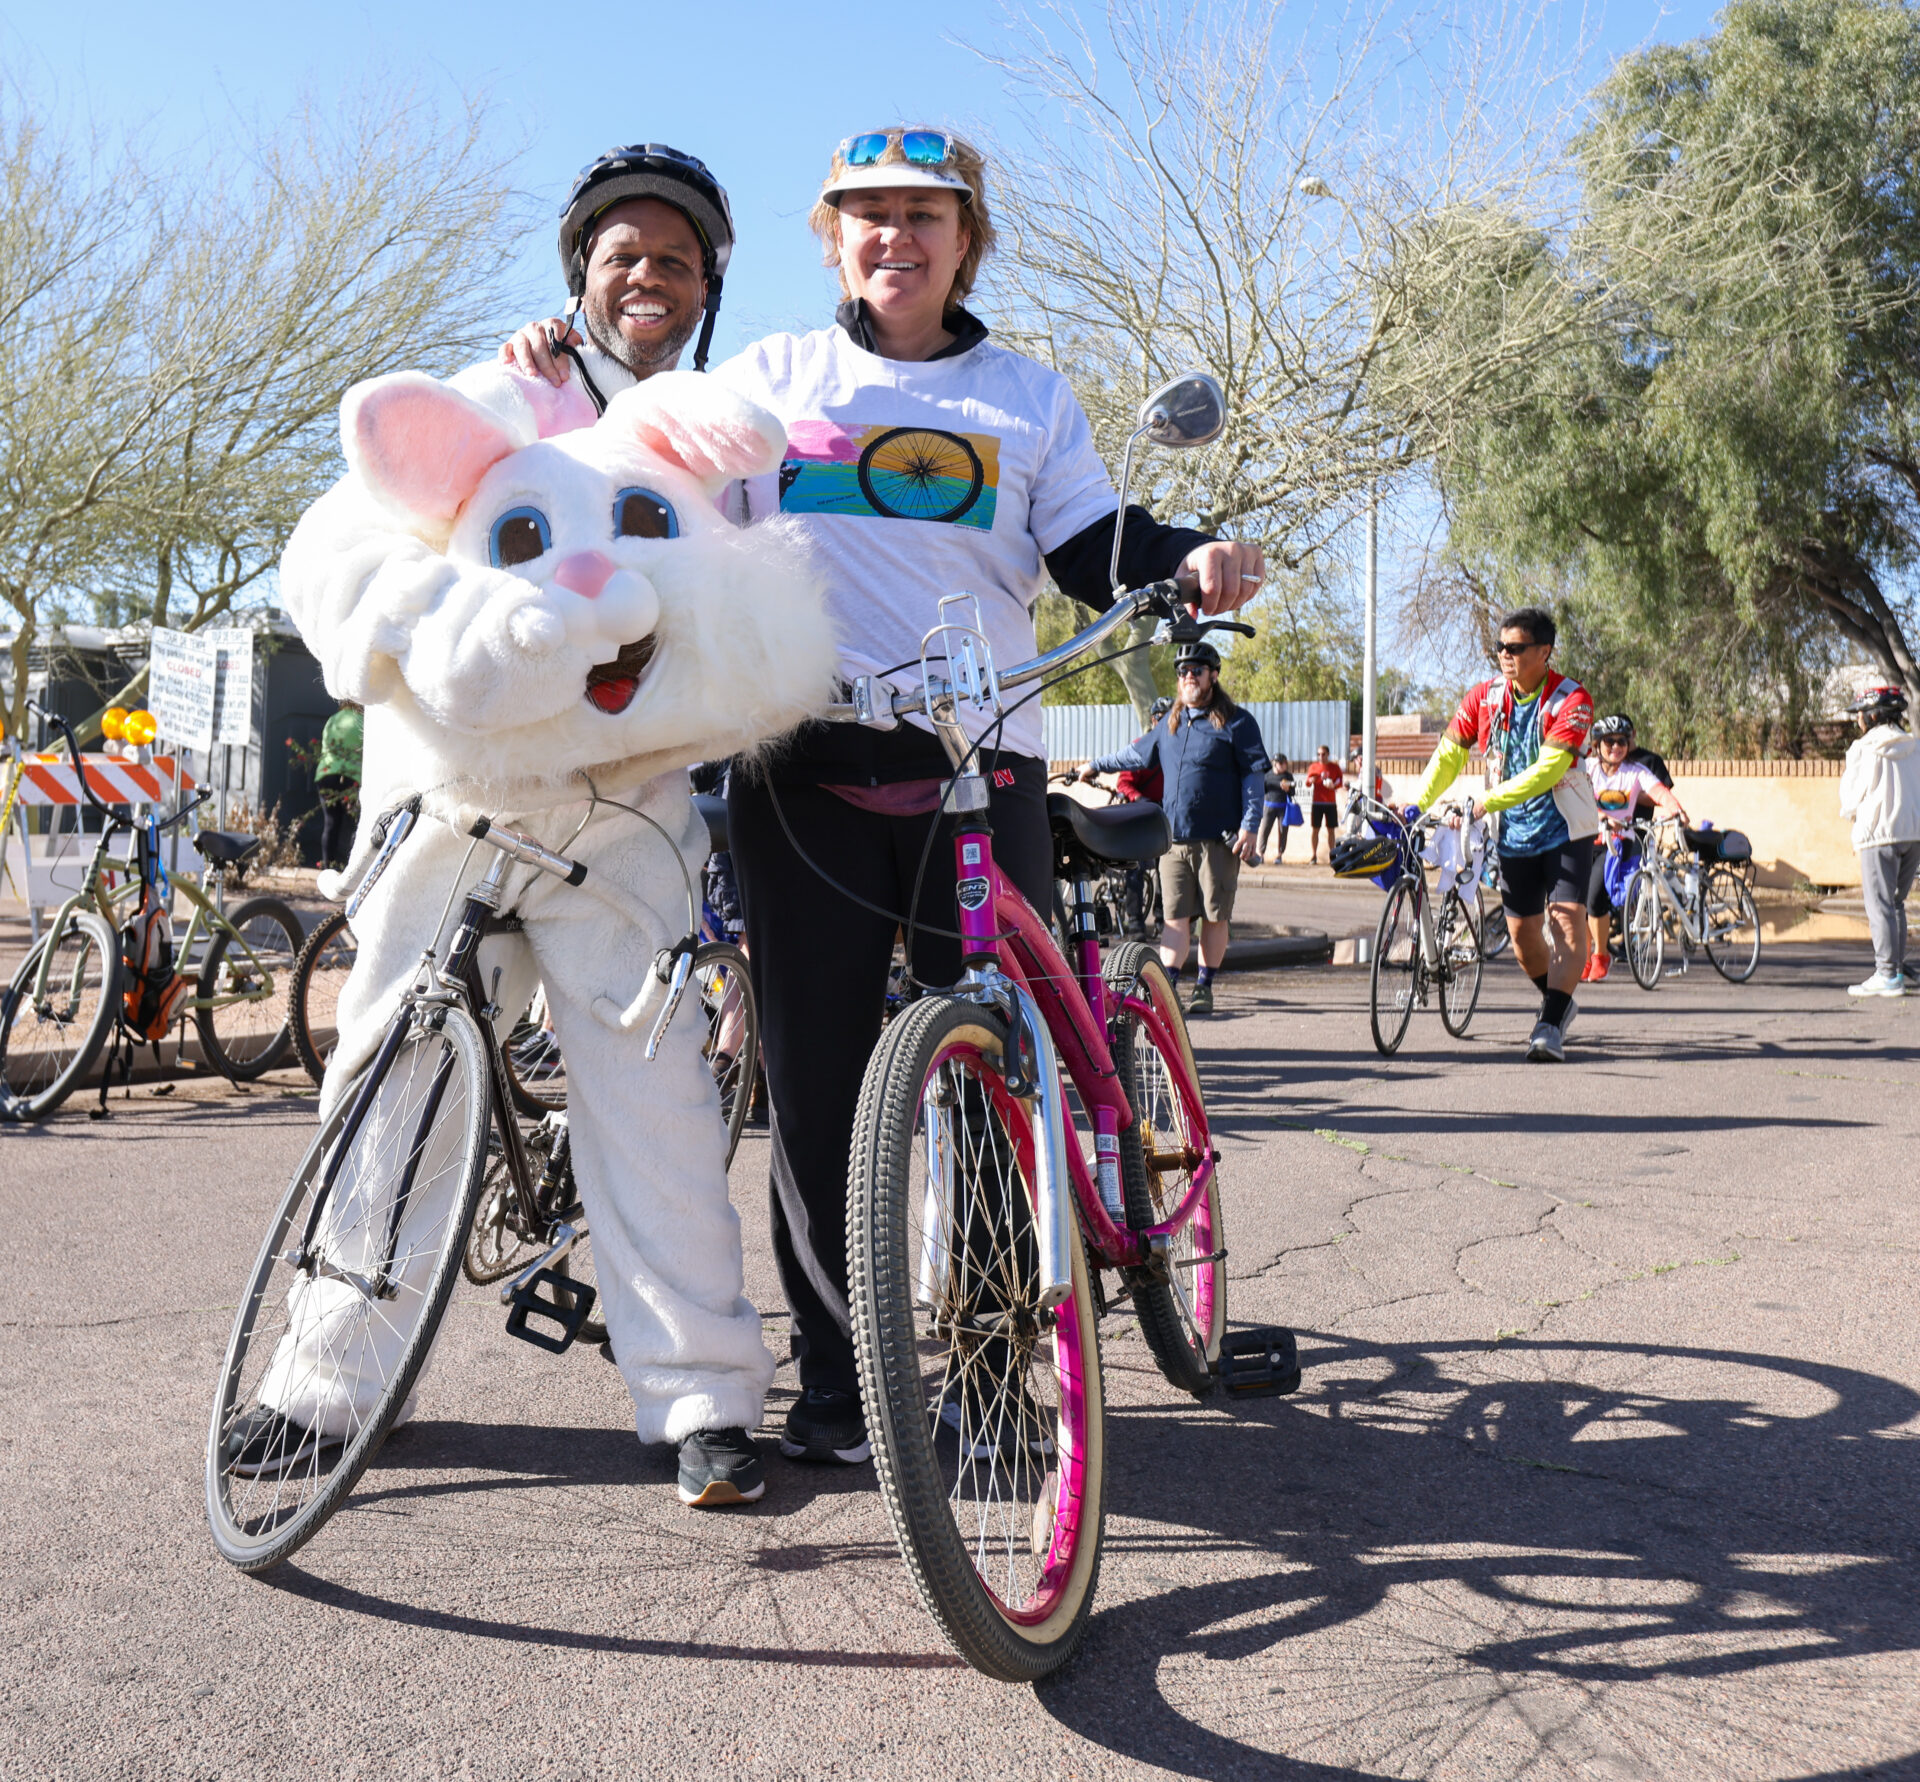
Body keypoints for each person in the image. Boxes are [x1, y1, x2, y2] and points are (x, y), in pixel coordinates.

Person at [513, 127, 1265, 1466]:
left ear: (966, 238)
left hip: (983, 775)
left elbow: (1094, 543)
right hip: (804, 771)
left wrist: (1187, 556)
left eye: (925, 216)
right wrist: (552, 388)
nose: (895, 239)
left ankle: (989, 1373)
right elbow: (643, 485)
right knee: (812, 1087)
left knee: (990, 1076)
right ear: (830, 240)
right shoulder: (771, 379)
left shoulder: (1028, 398)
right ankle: (840, 1384)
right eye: (867, 216)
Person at [276, 144, 787, 1512]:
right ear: (581, 273)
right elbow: (333, 547)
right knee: (390, 1075)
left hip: (629, 809)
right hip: (458, 801)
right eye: (622, 254)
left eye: (675, 259)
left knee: (658, 1098)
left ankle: (701, 1400)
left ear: (707, 286)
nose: (647, 277)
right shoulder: (501, 387)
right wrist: (436, 634)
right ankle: (328, 1376)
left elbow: (753, 607)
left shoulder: (722, 438)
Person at [1410, 606, 1598, 1062]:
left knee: (1568, 922)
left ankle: (1550, 1023)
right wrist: (1418, 803)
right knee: (1523, 942)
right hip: (1513, 834)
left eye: (1515, 648)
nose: (1504, 656)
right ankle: (1559, 999)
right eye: (1499, 647)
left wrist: (1484, 801)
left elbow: (1547, 771)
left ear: (1544, 652)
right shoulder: (1486, 697)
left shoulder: (1572, 700)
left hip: (1566, 830)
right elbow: (1450, 754)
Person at [1081, 640, 1266, 1014]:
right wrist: (1096, 765)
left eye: (1196, 670)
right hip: (1175, 841)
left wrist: (1250, 825)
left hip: (1219, 840)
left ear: (1213, 675)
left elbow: (1253, 776)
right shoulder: (1170, 723)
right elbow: (1135, 754)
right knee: (1174, 919)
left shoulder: (1238, 722)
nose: (1188, 677)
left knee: (1215, 918)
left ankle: (1205, 986)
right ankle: (1167, 991)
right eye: (1182, 672)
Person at [1583, 713, 1688, 981]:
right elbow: (1575, 797)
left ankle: (1600, 955)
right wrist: (1601, 816)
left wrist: (1677, 811)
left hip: (1617, 844)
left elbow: (1660, 792)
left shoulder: (1636, 771)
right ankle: (1582, 957)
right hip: (1583, 839)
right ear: (1598, 744)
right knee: (1576, 902)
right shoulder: (1588, 768)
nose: (1616, 747)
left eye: (1622, 741)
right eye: (1609, 742)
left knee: (1595, 897)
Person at [1839, 684, 1920, 997]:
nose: (1858, 720)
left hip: (1877, 835)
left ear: (1872, 717)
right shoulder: (1914, 747)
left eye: (1860, 714)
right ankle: (1895, 970)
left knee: (1879, 904)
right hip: (1912, 834)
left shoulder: (1863, 749)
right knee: (1896, 903)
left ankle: (1886, 974)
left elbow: (1849, 800)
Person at [313, 699, 362, 871]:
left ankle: (327, 867)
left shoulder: (333, 719)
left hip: (327, 774)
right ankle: (350, 868)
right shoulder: (362, 721)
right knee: (353, 823)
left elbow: (325, 746)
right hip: (351, 777)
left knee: (331, 823)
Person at [1305, 743, 1344, 863]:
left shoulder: (1334, 767)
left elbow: (1340, 782)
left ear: (1328, 754)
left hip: (1330, 803)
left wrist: (1334, 785)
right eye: (1318, 754)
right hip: (1317, 802)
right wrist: (1311, 780)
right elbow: (1307, 783)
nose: (1321, 756)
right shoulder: (1313, 767)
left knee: (1331, 830)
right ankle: (1313, 855)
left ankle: (1332, 855)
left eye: (1323, 754)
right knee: (1315, 829)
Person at [1258, 754, 1298, 863]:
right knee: (1264, 830)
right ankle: (1261, 854)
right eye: (1281, 763)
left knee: (1283, 831)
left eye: (1285, 763)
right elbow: (1262, 790)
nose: (1284, 765)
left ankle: (1280, 855)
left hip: (1283, 807)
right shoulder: (1267, 775)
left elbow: (1293, 792)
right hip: (1269, 806)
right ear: (1275, 764)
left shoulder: (1288, 776)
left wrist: (1287, 789)